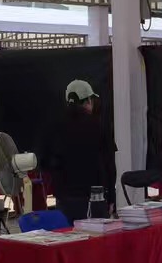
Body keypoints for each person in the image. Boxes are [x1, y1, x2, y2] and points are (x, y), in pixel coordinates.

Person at [44, 79, 116, 222]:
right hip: (95, 199)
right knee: (94, 236)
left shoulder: (53, 127)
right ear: (88, 101)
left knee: (68, 235)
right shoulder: (98, 126)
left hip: (64, 200)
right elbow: (109, 165)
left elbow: (45, 162)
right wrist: (111, 198)